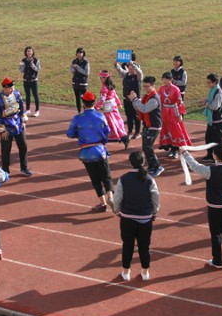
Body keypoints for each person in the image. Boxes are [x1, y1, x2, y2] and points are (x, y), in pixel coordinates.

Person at [182, 145, 222, 268]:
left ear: (215, 156)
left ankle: (217, 261)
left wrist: (185, 153)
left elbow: (195, 166)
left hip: (215, 206)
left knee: (216, 233)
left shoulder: (211, 170)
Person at [112, 151, 159, 281]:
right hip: (145, 218)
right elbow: (155, 198)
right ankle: (145, 272)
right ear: (143, 162)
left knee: (127, 245)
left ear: (130, 163)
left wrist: (116, 210)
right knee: (144, 247)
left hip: (127, 218)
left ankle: (126, 272)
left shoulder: (124, 178)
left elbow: (117, 198)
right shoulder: (149, 179)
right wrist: (154, 212)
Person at [66, 91, 113, 212]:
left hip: (86, 153)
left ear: (83, 103)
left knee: (95, 178)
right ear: (94, 102)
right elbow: (107, 131)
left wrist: (80, 133)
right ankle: (111, 197)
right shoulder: (101, 116)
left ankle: (102, 203)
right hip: (100, 151)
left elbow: (70, 134)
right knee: (106, 176)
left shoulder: (77, 118)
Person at [0, 77, 32, 177]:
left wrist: (23, 120)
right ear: (4, 88)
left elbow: (21, 106)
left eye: (13, 87)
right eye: (10, 88)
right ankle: (5, 170)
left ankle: (24, 168)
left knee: (23, 146)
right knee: (6, 149)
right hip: (7, 126)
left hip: (18, 124)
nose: (12, 89)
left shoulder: (17, 94)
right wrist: (2, 130)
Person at [129, 76, 164, 177]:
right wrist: (134, 101)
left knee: (148, 147)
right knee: (145, 147)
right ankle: (152, 166)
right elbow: (138, 107)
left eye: (147, 86)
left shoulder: (154, 99)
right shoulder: (146, 97)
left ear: (153, 86)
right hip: (148, 126)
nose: (145, 88)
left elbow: (144, 109)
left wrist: (135, 99)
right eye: (144, 86)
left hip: (154, 126)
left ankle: (157, 166)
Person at [158, 71, 192, 158]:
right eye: (164, 79)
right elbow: (159, 100)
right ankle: (170, 148)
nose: (165, 81)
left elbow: (180, 102)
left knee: (175, 130)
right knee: (166, 129)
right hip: (164, 111)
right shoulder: (161, 89)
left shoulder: (176, 89)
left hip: (173, 111)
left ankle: (176, 149)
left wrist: (180, 114)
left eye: (167, 79)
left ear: (171, 80)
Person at [95, 70, 129, 148]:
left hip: (108, 106)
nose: (100, 79)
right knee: (117, 120)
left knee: (111, 121)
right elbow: (115, 96)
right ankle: (122, 135)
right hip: (114, 106)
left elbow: (102, 99)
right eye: (100, 77)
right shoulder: (111, 86)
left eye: (102, 77)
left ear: (105, 78)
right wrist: (119, 103)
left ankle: (115, 135)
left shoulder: (104, 88)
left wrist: (97, 106)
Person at [115, 55, 142, 138]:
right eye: (129, 68)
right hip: (126, 99)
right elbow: (121, 70)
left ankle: (137, 132)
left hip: (135, 100)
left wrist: (133, 64)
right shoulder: (127, 75)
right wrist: (116, 65)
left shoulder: (138, 77)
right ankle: (130, 131)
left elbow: (139, 72)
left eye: (132, 68)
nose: (130, 70)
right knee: (129, 116)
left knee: (136, 116)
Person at [201, 73, 222, 161]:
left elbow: (215, 106)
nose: (208, 84)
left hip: (217, 121)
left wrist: (206, 103)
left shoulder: (218, 92)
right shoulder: (212, 90)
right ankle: (210, 155)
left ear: (214, 82)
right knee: (208, 138)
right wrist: (207, 100)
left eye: (209, 82)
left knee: (218, 141)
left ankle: (221, 158)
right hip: (211, 120)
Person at [19, 46, 42, 116]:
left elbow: (38, 69)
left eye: (30, 51)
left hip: (34, 80)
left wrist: (32, 65)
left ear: (32, 52)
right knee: (27, 95)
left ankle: (37, 110)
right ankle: (28, 109)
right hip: (26, 80)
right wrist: (22, 66)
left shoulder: (36, 60)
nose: (29, 52)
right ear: (26, 52)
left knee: (35, 95)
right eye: (28, 51)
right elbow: (21, 70)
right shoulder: (23, 60)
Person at [69, 47, 90, 113]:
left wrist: (78, 68)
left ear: (83, 54)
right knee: (77, 99)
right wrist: (74, 68)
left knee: (84, 99)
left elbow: (86, 73)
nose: (79, 54)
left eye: (81, 53)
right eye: (78, 53)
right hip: (75, 82)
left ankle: (85, 112)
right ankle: (79, 112)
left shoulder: (86, 62)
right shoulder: (74, 61)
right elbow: (71, 70)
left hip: (83, 83)